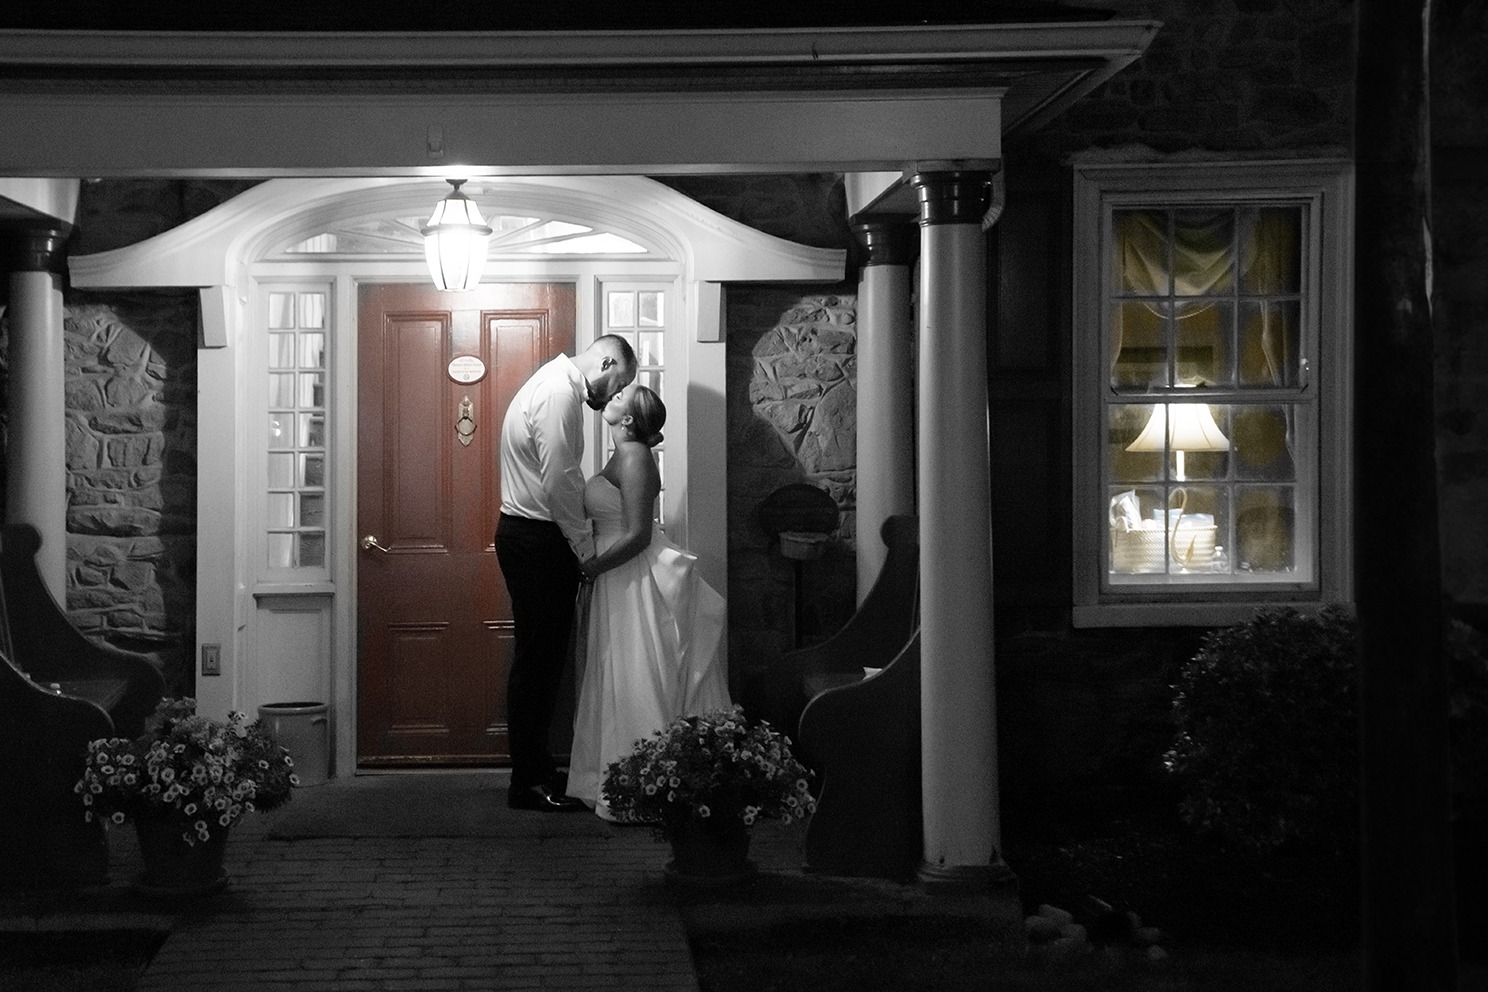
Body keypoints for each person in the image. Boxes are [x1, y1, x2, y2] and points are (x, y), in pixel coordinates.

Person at [566, 384, 733, 820]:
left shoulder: (636, 456)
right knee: (615, 671)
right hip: (615, 574)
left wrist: (593, 568)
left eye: (620, 396)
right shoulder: (621, 454)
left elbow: (638, 533)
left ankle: (645, 785)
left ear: (628, 420)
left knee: (635, 670)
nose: (612, 397)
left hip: (630, 575)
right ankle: (617, 780)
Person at [496, 335, 637, 812]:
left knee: (542, 659)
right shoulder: (559, 394)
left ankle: (535, 769)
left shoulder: (553, 384)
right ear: (605, 361)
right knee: (539, 661)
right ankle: (528, 781)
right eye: (619, 382)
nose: (613, 397)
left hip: (531, 537)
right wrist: (583, 551)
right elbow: (560, 481)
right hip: (538, 540)